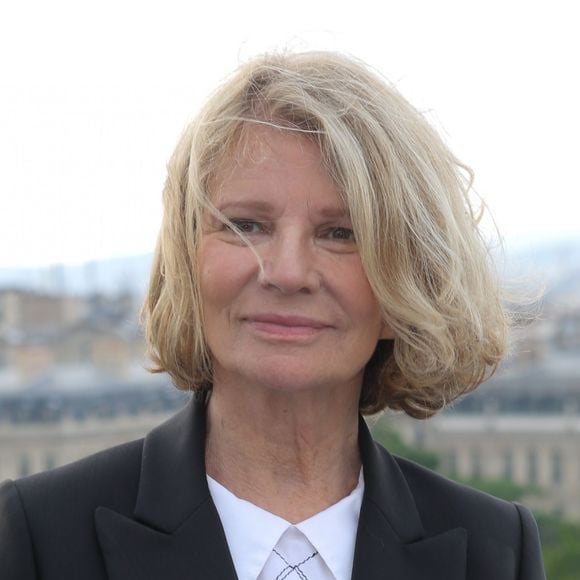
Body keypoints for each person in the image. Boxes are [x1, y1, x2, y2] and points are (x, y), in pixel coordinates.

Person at [0, 51, 545, 580]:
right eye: (246, 225)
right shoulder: (36, 535)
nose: (286, 272)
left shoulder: (493, 550)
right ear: (188, 261)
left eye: (340, 233)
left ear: (411, 283)